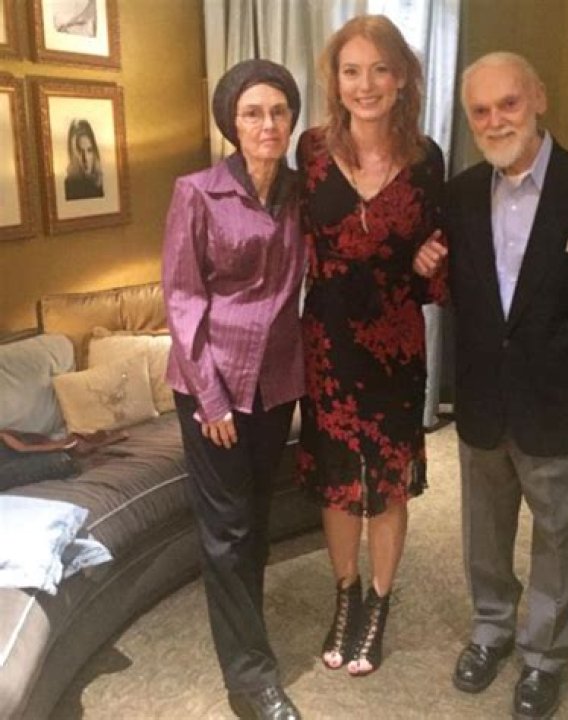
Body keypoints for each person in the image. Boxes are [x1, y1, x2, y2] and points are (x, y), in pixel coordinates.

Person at [440, 52, 568, 719]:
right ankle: (491, 628)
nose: (496, 120)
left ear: (539, 100)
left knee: (558, 536)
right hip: (484, 399)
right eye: (481, 110)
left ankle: (545, 656)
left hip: (564, 398)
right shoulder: (460, 196)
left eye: (509, 103)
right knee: (484, 532)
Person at [295, 14, 447, 677]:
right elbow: (292, 238)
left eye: (380, 69)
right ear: (335, 80)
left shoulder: (427, 159)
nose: (366, 84)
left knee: (385, 483)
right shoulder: (310, 151)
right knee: (338, 482)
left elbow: (437, 254)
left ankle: (380, 602)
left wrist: (430, 259)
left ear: (402, 77)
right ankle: (346, 596)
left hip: (394, 341)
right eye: (352, 71)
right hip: (327, 342)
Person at [162, 59, 304, 720]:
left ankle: (244, 633)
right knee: (228, 529)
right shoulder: (197, 192)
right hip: (211, 387)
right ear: (232, 122)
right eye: (253, 113)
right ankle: (250, 682)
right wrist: (210, 398)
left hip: (275, 386)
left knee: (256, 521)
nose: (267, 124)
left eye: (278, 111)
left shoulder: (302, 194)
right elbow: (182, 298)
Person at [64, 118, 104, 201]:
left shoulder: (101, 184)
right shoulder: (69, 188)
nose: (85, 158)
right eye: (80, 151)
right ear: (72, 154)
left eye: (89, 150)